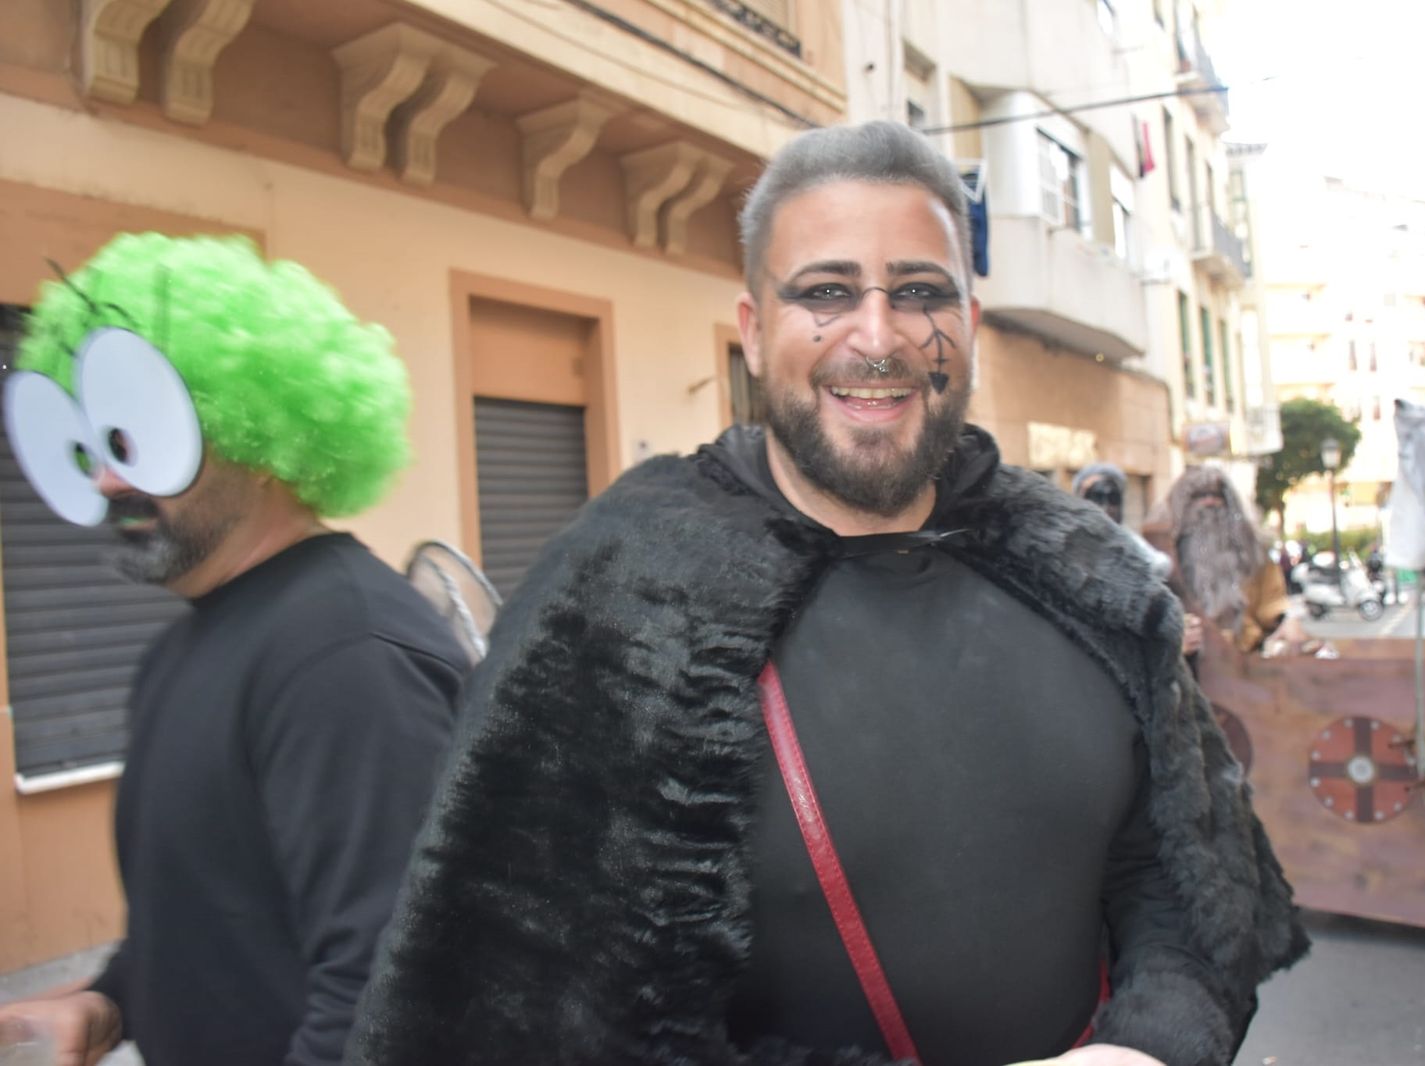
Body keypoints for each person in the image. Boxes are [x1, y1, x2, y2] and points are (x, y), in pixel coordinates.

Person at [348, 122, 1304, 1066]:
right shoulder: (609, 604)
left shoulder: (1088, 575)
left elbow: (1187, 884)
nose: (877, 337)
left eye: (920, 292)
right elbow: (519, 1020)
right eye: (826, 292)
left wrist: (1144, 1050)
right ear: (755, 332)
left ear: (969, 327)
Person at [0, 235, 467, 1066]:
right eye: (91, 448)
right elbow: (211, 918)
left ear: (260, 440)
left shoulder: (344, 657)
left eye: (134, 440)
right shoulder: (183, 650)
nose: (108, 482)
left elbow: (393, 1004)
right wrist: (107, 1006)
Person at [1143, 466, 1311, 656]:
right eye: (1200, 496)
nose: (1209, 502)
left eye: (1217, 495)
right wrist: (1171, 639)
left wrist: (1288, 621)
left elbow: (1273, 605)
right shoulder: (1161, 554)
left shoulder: (1254, 552)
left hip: (1243, 659)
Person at [1070, 462, 1172, 580]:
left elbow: (1158, 565)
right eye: (1096, 497)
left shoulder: (1128, 540)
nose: (1106, 507)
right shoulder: (1069, 541)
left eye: (1113, 498)